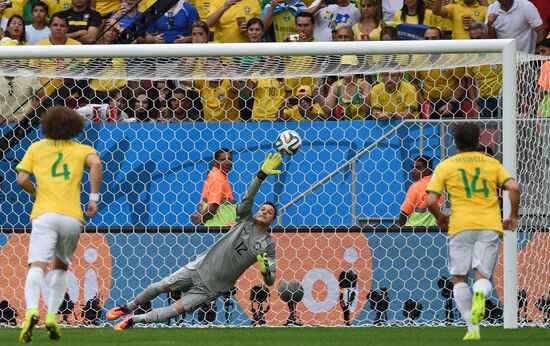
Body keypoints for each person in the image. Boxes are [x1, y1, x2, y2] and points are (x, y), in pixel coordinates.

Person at [106, 153, 283, 330]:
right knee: (158, 286)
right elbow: (248, 197)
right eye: (262, 208)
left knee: (172, 311)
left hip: (211, 289)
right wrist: (261, 175)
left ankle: (133, 320)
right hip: (198, 268)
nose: (264, 211)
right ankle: (127, 307)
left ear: (272, 221)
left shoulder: (267, 246)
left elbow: (270, 280)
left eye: (269, 212)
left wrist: (267, 273)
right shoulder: (244, 220)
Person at [425, 122, 520, 341]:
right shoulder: (491, 163)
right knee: (482, 276)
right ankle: (480, 293)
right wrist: (512, 215)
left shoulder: (446, 165)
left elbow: (430, 200)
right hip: (489, 224)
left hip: (460, 225)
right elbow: (513, 188)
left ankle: (471, 327)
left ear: (455, 142)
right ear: (478, 141)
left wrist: (440, 217)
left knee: (459, 278)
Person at [16, 106, 103, 343]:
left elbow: (22, 178)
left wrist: (36, 192)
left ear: (47, 125)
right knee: (61, 267)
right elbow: (96, 164)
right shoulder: (81, 149)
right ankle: (53, 315)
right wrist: (93, 199)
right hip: (71, 217)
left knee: (37, 265)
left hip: (44, 214)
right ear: (74, 127)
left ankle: (33, 310)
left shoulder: (36, 148)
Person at [191, 148, 237, 226]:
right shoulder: (217, 178)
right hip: (221, 229)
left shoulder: (212, 176)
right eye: (223, 159)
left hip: (214, 229)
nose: (227, 162)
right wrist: (201, 219)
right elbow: (213, 205)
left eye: (229, 159)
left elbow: (201, 205)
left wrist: (201, 218)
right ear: (215, 163)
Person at [467, 22, 502, 118]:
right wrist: (474, 103)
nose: (475, 41)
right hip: (485, 101)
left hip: (505, 99)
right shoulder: (470, 57)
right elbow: (470, 82)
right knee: (489, 131)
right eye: (472, 38)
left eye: (478, 37)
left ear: (486, 35)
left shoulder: (501, 51)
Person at [399, 156, 441, 227]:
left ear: (428, 170)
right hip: (434, 230)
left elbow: (404, 214)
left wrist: (400, 230)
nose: (413, 171)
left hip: (413, 230)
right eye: (413, 167)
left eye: (418, 168)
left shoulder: (416, 187)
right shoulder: (438, 185)